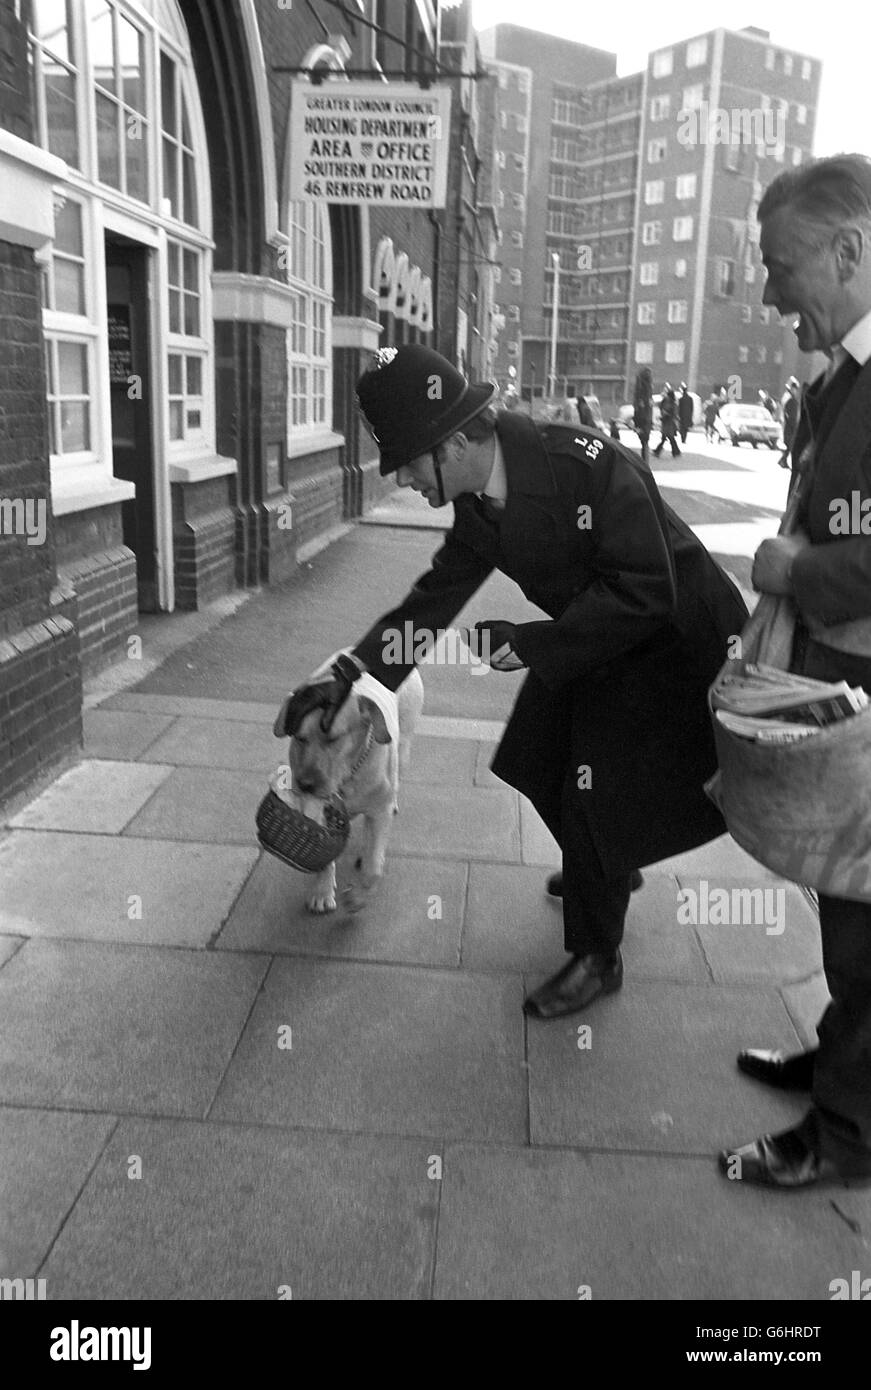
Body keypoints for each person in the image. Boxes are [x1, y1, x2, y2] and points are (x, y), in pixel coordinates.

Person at [275, 344, 748, 1021]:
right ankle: (608, 867)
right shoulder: (475, 504)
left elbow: (645, 591)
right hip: (594, 638)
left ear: (452, 441)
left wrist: (529, 642)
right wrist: (350, 673)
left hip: (673, 644)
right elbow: (429, 601)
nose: (403, 478)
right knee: (533, 751)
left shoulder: (585, 466)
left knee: (594, 786)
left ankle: (597, 953)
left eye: (406, 462)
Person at [721, 153, 871, 1191]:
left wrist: (794, 569)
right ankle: (842, 1061)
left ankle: (849, 1133)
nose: (769, 292)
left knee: (867, 918)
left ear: (850, 252)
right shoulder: (843, 376)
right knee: (842, 898)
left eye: (781, 268)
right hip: (836, 684)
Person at [653, 383, 681, 457]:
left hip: (668, 422)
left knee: (666, 437)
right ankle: (676, 452)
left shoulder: (671, 403)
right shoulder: (670, 402)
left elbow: (670, 412)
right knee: (669, 438)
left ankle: (658, 451)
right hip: (668, 422)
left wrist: (665, 415)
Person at [632, 366, 654, 463]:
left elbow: (638, 407)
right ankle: (645, 461)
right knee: (645, 442)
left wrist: (637, 423)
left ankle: (645, 462)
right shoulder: (649, 389)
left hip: (642, 418)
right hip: (647, 418)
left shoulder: (641, 389)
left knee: (644, 442)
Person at [778, 376, 800, 468]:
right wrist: (795, 426)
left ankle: (783, 460)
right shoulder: (791, 400)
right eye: (795, 389)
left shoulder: (786, 397)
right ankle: (783, 460)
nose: (796, 391)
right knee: (789, 444)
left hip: (785, 425)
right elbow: (792, 416)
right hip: (789, 426)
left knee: (788, 444)